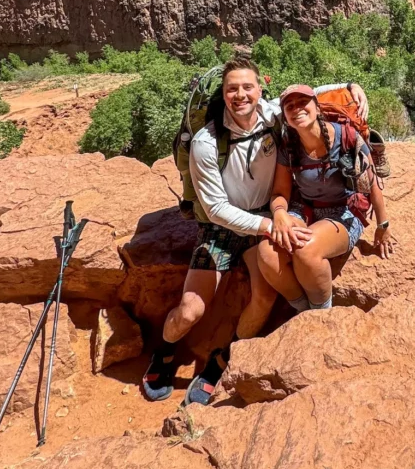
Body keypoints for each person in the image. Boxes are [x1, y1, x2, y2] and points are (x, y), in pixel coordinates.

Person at [141, 61, 368, 405]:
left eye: (247, 87)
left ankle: (221, 360)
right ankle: (165, 352)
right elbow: (216, 209)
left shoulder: (272, 113)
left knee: (264, 296)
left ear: (260, 90)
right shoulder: (206, 142)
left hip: (263, 216)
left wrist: (351, 84)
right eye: (232, 89)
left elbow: (313, 95)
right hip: (220, 228)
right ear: (224, 94)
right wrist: (271, 224)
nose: (240, 95)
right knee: (189, 311)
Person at [258, 84, 393, 312]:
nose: (297, 108)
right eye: (290, 106)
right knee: (267, 253)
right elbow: (280, 192)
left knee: (306, 250)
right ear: (286, 116)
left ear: (317, 108)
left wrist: (383, 225)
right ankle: (302, 308)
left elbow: (371, 185)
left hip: (345, 211)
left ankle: (321, 312)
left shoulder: (347, 137)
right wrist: (279, 212)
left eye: (303, 102)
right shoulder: (289, 145)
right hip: (305, 206)